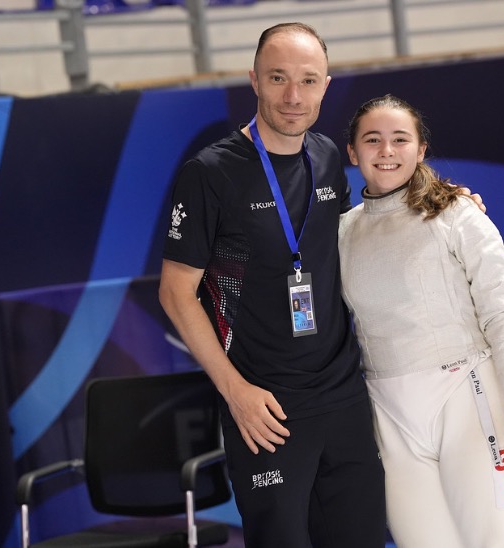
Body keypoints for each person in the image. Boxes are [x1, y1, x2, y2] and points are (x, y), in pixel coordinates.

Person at [158, 23, 386, 548]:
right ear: (254, 81)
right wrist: (234, 391)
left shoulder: (326, 156)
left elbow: (367, 230)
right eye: (278, 78)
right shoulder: (211, 172)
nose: (293, 96)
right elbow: (175, 292)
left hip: (343, 397)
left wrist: (447, 204)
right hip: (266, 408)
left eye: (308, 80)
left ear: (325, 86)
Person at [338, 94, 504, 548]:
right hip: (390, 413)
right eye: (372, 140)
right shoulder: (342, 233)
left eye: (400, 139)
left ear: (421, 150)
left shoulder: (457, 214)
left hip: (469, 398)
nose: (387, 151)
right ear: (353, 153)